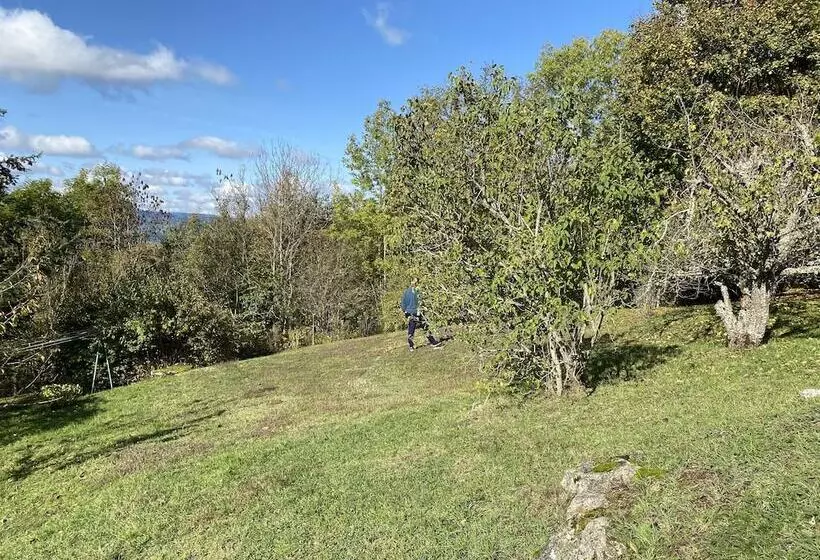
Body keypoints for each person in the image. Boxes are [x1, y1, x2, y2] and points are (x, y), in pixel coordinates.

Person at [400, 277, 442, 351]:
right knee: (416, 328)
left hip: (415, 312)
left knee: (422, 327)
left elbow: (404, 304)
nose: (416, 283)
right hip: (414, 312)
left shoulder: (408, 291)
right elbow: (404, 303)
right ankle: (412, 345)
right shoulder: (413, 292)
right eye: (415, 282)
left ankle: (431, 342)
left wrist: (405, 311)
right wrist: (406, 311)